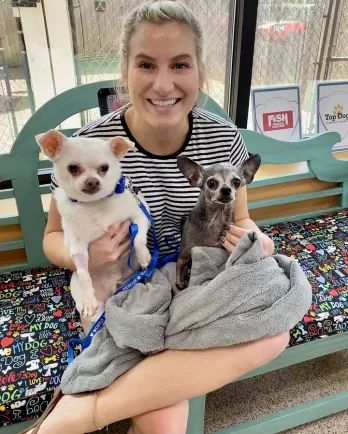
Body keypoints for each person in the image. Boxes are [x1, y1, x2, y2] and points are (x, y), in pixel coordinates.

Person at [23, 2, 289, 433]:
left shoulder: (223, 137)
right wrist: (85, 254)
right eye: (146, 64)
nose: (163, 83)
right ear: (124, 73)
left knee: (276, 331)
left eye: (180, 64)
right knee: (164, 418)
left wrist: (256, 238)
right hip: (124, 286)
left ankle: (81, 415)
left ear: (200, 72)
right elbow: (52, 238)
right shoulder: (90, 148)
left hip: (192, 280)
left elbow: (243, 219)